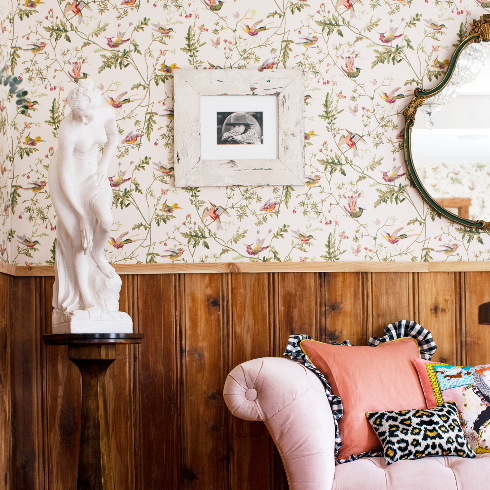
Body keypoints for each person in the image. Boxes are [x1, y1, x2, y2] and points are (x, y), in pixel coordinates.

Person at [49, 79, 121, 319]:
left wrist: (103, 166)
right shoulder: (68, 130)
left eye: (87, 115)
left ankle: (99, 255)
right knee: (80, 243)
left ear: (96, 105)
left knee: (106, 222)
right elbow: (65, 175)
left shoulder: (106, 112)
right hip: (68, 186)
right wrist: (80, 216)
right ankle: (87, 299)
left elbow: (114, 138)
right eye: (78, 115)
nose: (83, 120)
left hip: (93, 178)